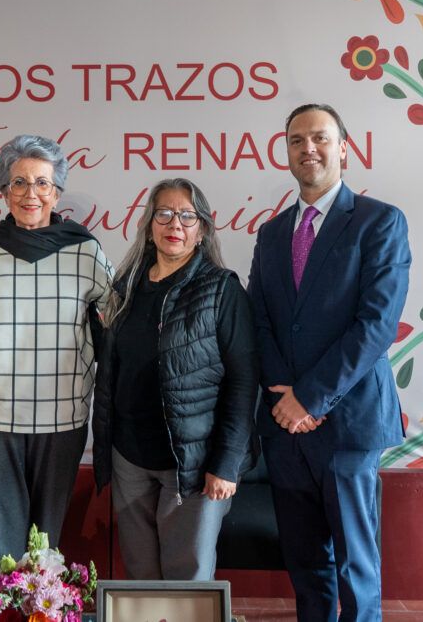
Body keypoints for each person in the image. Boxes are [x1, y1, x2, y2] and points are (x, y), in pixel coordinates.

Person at [247, 104, 411, 621]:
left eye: (319, 138)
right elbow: (260, 322)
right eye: (297, 140)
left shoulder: (379, 221)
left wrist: (310, 399)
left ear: (343, 148)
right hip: (284, 427)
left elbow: (376, 325)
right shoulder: (271, 234)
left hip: (349, 423)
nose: (308, 149)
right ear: (286, 152)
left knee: (355, 566)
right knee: (306, 566)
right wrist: (285, 397)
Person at [0, 134, 114, 566]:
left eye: (42, 183)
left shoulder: (86, 252)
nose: (31, 194)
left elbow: (115, 321)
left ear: (57, 192)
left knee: (46, 541)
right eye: (19, 182)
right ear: (4, 191)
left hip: (61, 413)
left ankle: (43, 601)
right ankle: (5, 601)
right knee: (2, 545)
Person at [92, 177, 258, 580]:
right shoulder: (125, 287)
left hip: (194, 464)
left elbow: (243, 382)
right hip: (130, 458)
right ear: (149, 224)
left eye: (187, 216)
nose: (175, 225)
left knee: (188, 581)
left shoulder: (222, 290)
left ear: (202, 230)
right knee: (141, 577)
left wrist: (226, 463)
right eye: (164, 213)